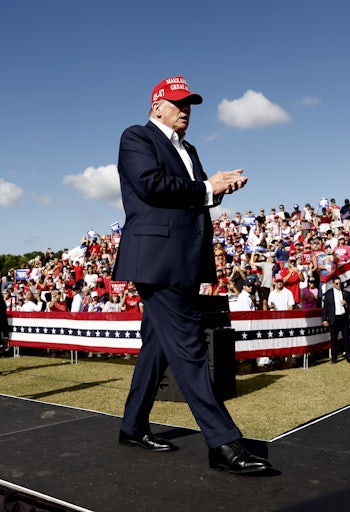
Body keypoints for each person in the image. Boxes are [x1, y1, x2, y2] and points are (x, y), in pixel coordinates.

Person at [113, 76, 272, 474]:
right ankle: (222, 442)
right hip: (157, 260)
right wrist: (206, 187)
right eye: (178, 102)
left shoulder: (190, 149)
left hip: (182, 259)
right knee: (190, 348)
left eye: (190, 104)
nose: (186, 110)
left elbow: (192, 197)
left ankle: (132, 426)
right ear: (157, 107)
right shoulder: (137, 137)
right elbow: (151, 185)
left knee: (158, 345)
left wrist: (219, 190)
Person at [322, 277, 350, 363]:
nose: (338, 285)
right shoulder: (328, 294)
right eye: (336, 283)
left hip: (344, 318)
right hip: (334, 318)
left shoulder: (345, 293)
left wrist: (346, 303)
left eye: (340, 283)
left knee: (346, 338)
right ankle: (334, 358)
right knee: (333, 339)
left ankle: (348, 356)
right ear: (333, 284)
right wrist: (324, 319)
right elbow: (325, 308)